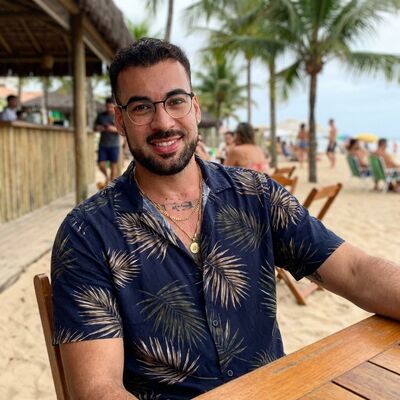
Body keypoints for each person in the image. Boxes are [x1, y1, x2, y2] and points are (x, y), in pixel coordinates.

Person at [51, 38, 400, 400]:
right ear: (120, 121)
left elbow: (356, 271)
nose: (163, 122)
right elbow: (98, 389)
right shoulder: (88, 233)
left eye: (175, 101)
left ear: (195, 107)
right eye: (141, 108)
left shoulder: (256, 195)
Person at [94, 97, 120, 188]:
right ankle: (107, 177)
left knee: (113, 166)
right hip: (103, 144)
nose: (109, 109)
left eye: (111, 107)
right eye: (107, 107)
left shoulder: (118, 116)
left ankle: (111, 186)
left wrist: (112, 129)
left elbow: (123, 130)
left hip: (114, 144)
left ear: (114, 106)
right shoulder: (101, 116)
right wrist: (99, 128)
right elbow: (95, 127)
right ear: (105, 106)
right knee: (100, 164)